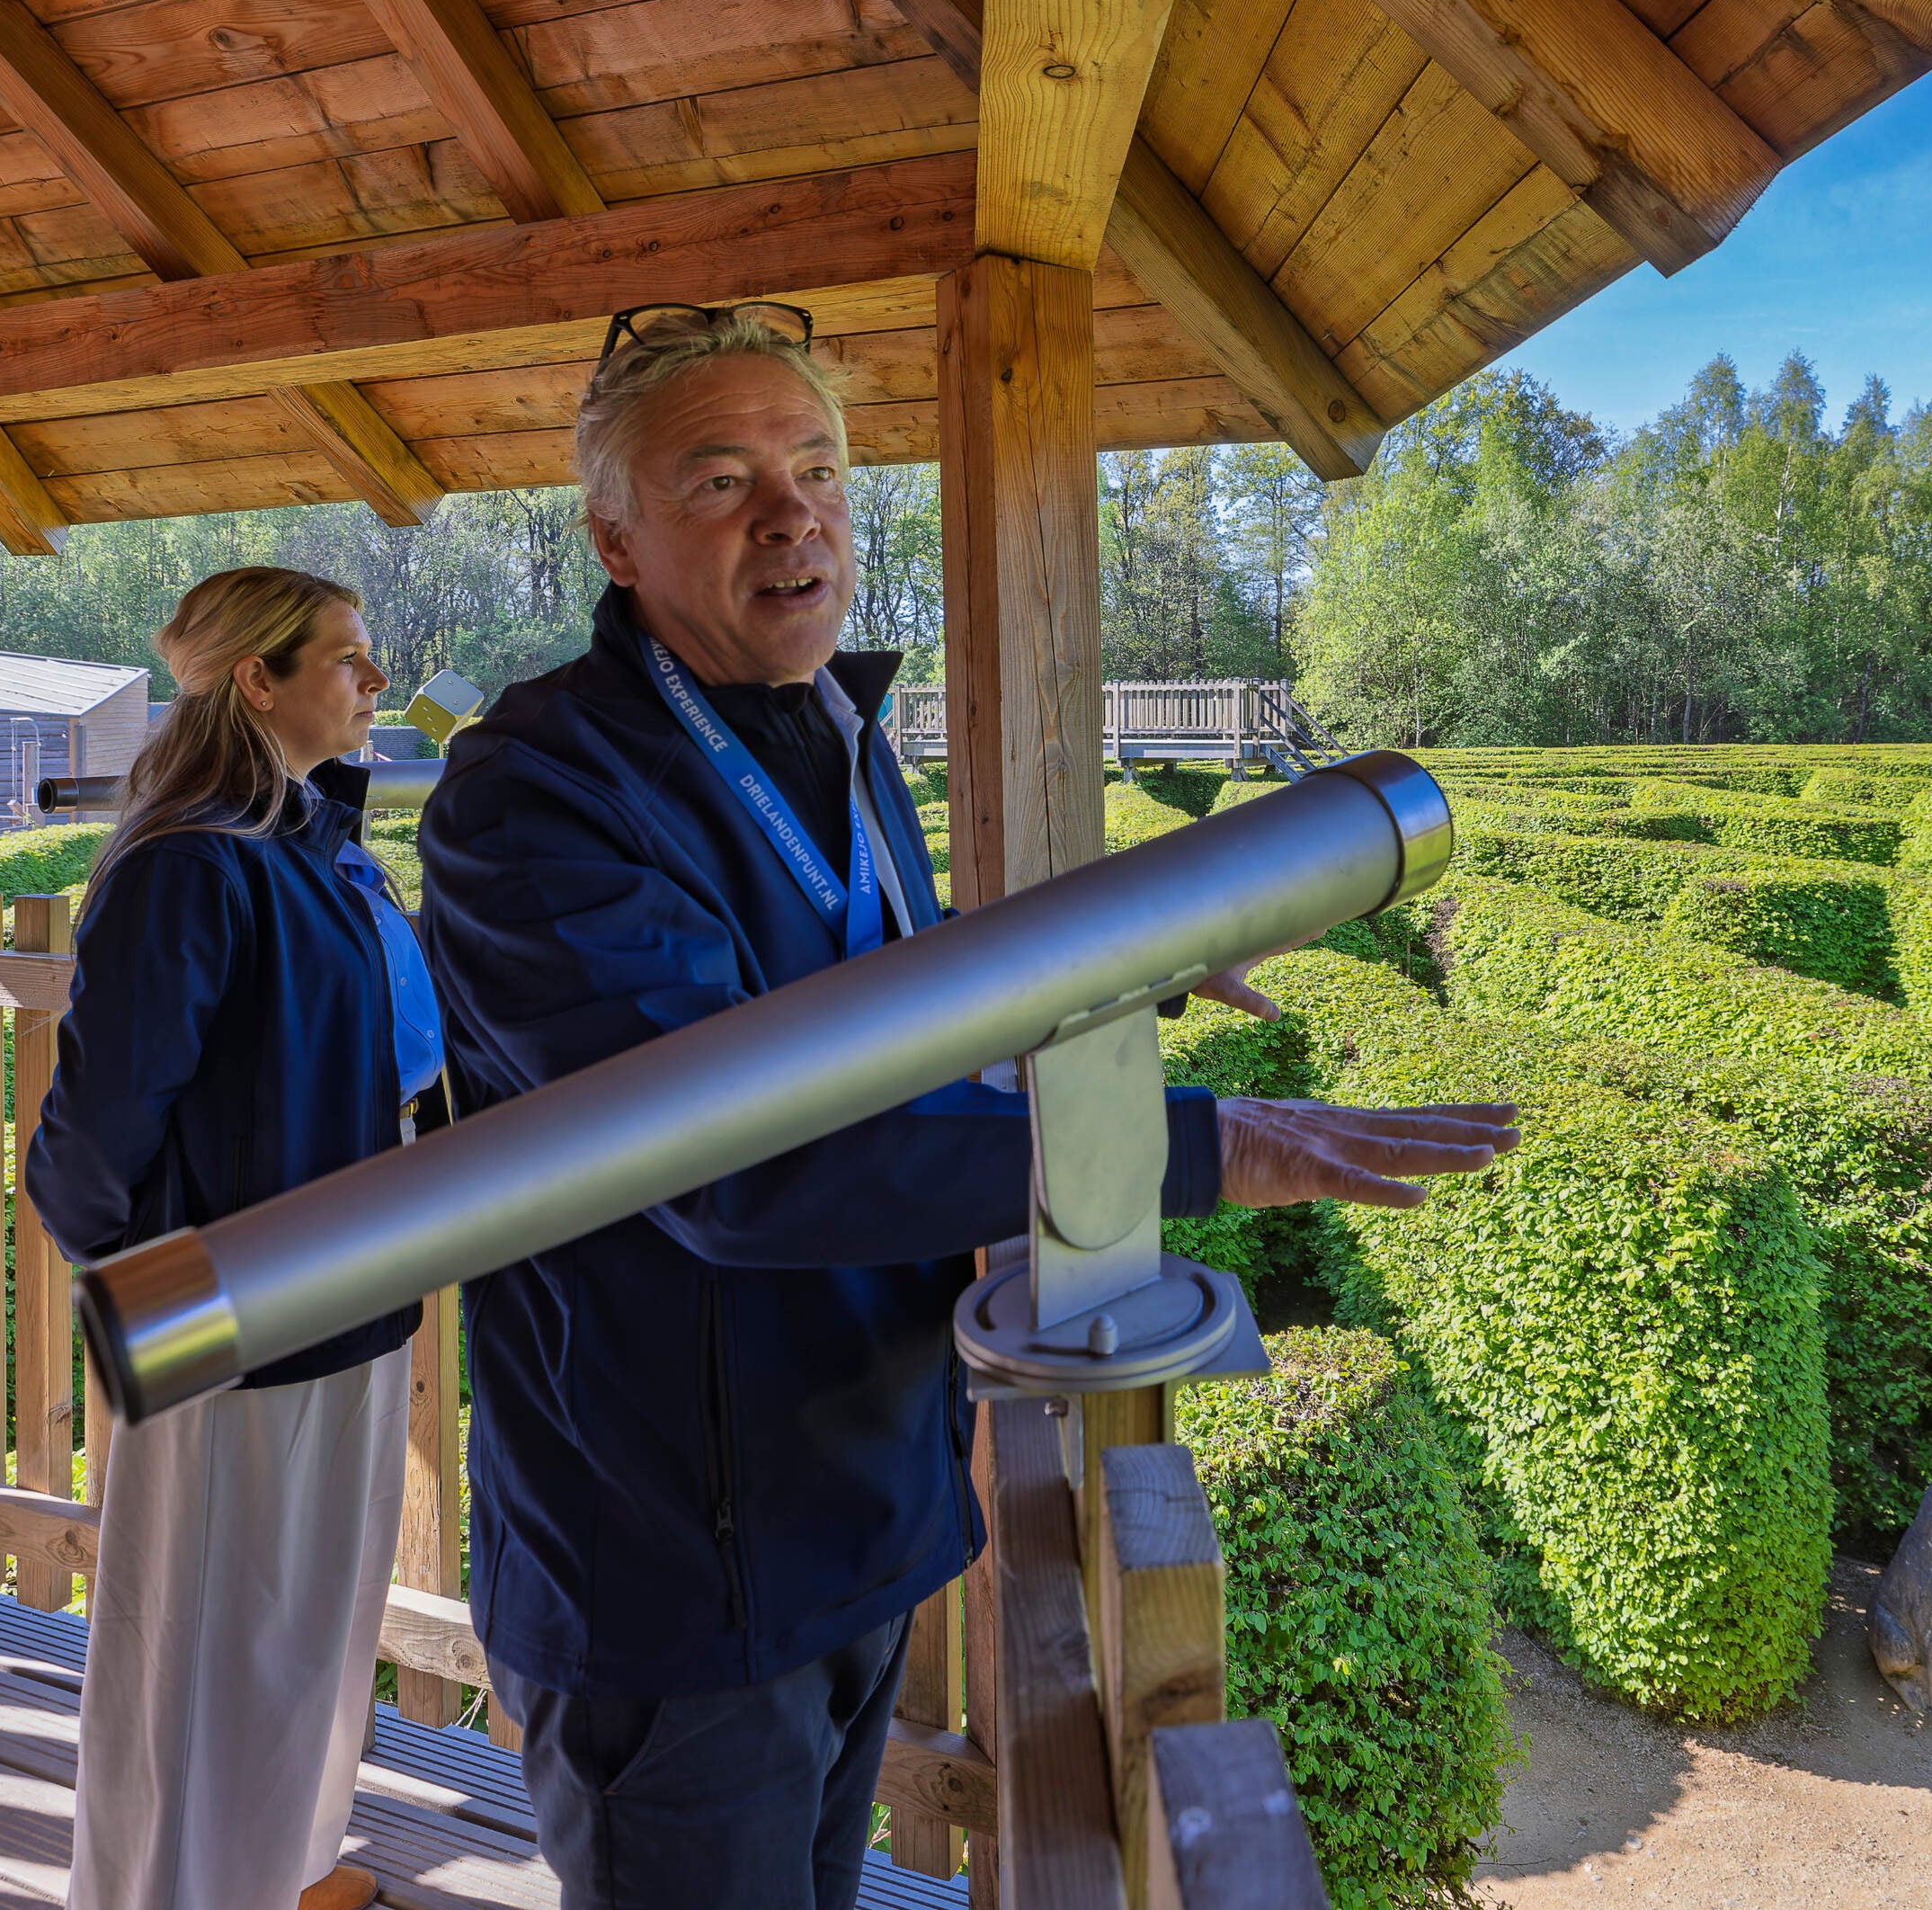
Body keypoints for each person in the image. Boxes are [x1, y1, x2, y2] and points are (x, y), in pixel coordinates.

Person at [414, 303, 1517, 1910]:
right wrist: (1210, 1146)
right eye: (720, 480)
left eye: (816, 466)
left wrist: (1100, 986)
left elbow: (901, 1032)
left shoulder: (841, 744)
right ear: (616, 537)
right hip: (670, 1564)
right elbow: (735, 1158)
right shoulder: (537, 791)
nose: (791, 512)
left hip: (863, 1508)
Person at [27, 567, 444, 1910]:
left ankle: (277, 1867)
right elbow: (98, 1133)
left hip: (349, 1288)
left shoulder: (313, 846)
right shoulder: (191, 865)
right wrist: (153, 1278)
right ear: (257, 681)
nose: (373, 682)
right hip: (225, 1312)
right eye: (347, 658)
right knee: (200, 1646)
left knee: (306, 1629)